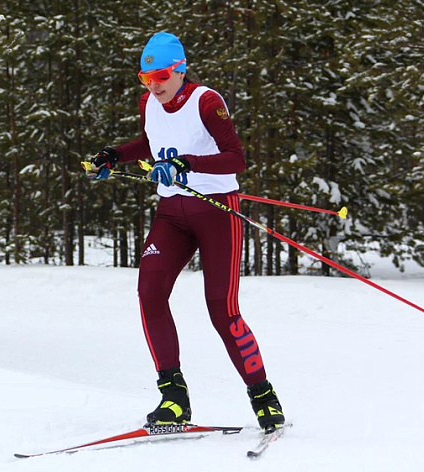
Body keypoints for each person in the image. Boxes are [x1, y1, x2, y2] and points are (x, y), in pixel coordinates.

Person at [85, 32, 285, 432]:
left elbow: (236, 158)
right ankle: (173, 398)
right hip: (171, 215)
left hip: (216, 211)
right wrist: (115, 155)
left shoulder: (206, 102)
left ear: (179, 70)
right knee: (149, 294)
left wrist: (185, 164)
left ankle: (263, 395)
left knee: (221, 310)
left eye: (160, 76)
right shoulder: (149, 103)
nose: (153, 86)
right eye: (146, 79)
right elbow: (152, 142)